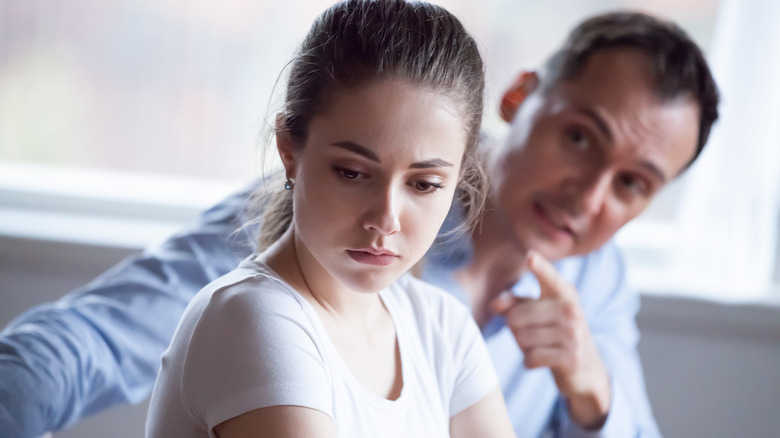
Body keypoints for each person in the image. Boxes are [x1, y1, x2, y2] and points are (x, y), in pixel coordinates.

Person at [0, 9, 719, 438]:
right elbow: (86, 340)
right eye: (579, 139)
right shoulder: (295, 240)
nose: (588, 197)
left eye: (632, 184)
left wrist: (595, 394)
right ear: (519, 97)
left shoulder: (583, 287)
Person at [143, 1, 517, 437]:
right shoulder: (252, 318)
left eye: (424, 184)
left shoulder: (442, 329)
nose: (386, 219)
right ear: (289, 152)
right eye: (353, 173)